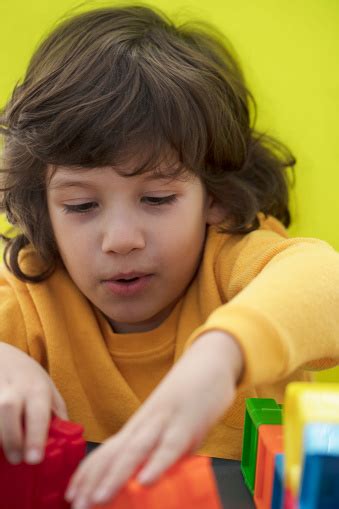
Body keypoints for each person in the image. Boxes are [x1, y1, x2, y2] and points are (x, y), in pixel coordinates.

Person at [0, 4, 338, 509]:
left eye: (157, 199)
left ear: (215, 196)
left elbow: (324, 279)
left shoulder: (233, 262)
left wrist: (221, 355)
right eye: (81, 205)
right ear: (43, 209)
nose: (120, 239)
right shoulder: (33, 294)